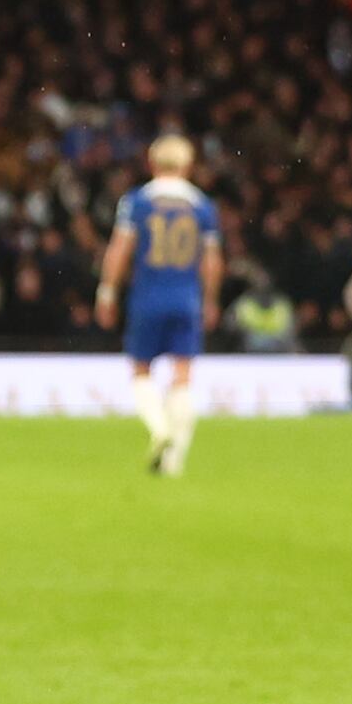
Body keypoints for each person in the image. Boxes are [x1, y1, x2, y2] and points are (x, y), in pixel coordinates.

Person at [94, 135, 226, 475]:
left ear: (152, 164)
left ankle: (159, 429)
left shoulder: (138, 202)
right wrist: (210, 299)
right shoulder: (202, 206)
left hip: (148, 296)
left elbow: (120, 249)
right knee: (183, 376)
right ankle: (174, 462)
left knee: (141, 370)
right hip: (186, 298)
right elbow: (212, 261)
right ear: (187, 166)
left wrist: (107, 291)